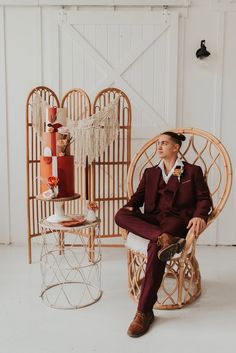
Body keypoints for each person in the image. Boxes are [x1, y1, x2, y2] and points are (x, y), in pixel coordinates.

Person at [115, 131, 212, 338]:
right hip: (154, 221)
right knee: (120, 215)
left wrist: (200, 215)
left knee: (156, 248)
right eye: (158, 143)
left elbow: (204, 199)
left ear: (176, 147)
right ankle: (162, 238)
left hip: (176, 222)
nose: (159, 147)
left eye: (164, 143)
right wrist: (130, 207)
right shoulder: (150, 173)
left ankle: (143, 312)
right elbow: (137, 198)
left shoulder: (192, 171)